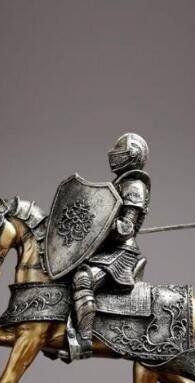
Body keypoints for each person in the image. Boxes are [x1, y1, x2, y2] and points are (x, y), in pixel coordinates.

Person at [71, 133, 151, 359]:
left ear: (131, 156)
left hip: (121, 252)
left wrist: (99, 224)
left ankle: (84, 339)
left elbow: (126, 227)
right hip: (106, 251)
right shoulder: (119, 184)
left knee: (83, 279)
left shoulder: (134, 185)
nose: (114, 155)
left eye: (120, 152)